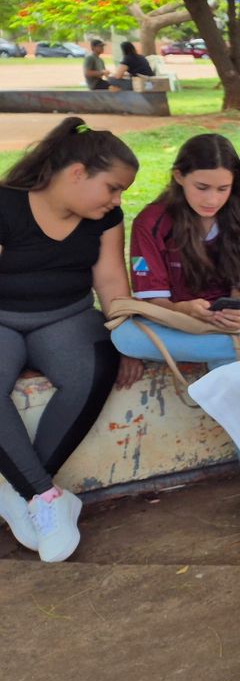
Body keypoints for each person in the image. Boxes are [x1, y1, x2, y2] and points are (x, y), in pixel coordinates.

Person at [110, 134, 240, 526]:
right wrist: (185, 309)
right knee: (122, 336)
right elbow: (154, 302)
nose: (212, 198)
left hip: (229, 325)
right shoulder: (154, 220)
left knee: (235, 375)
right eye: (202, 187)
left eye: (222, 188)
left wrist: (239, 309)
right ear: (179, 176)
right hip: (178, 321)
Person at [0, 120, 141, 561]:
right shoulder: (5, 207)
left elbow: (112, 284)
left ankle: (22, 494)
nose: (118, 201)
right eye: (113, 188)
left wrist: (127, 337)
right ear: (77, 173)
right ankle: (45, 496)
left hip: (68, 315)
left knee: (93, 371)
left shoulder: (105, 218)